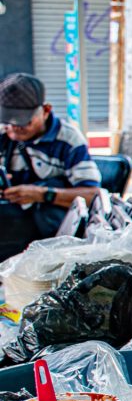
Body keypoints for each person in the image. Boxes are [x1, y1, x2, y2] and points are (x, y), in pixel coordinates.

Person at [0, 73, 101, 261]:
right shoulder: (3, 134)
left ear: (45, 110)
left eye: (22, 122)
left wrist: (42, 194)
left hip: (52, 240)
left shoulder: (68, 140)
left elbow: (93, 195)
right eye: (8, 121)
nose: (13, 128)